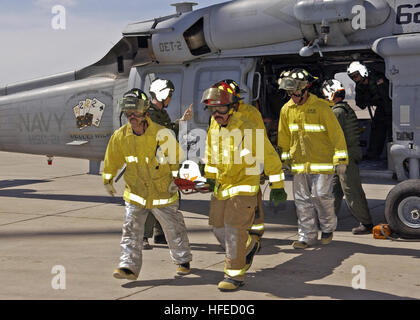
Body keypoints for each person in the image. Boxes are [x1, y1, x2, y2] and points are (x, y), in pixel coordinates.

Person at [202, 83, 287, 291]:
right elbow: (211, 153)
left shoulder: (247, 127)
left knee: (233, 231)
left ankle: (234, 275)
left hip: (244, 185)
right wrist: (210, 177)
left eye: (220, 109)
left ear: (231, 107)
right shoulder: (214, 125)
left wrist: (277, 185)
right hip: (222, 185)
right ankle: (249, 245)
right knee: (217, 228)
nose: (216, 114)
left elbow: (268, 156)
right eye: (212, 110)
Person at [103, 90, 192, 280]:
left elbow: (177, 160)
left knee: (173, 229)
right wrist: (108, 179)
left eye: (135, 113)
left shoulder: (162, 134)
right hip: (136, 194)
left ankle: (183, 260)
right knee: (131, 230)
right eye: (128, 114)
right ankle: (128, 266)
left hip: (162, 193)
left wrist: (176, 180)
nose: (131, 117)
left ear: (145, 114)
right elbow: (112, 160)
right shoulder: (120, 137)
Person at [277, 68, 348, 249]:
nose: (292, 96)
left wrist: (340, 159)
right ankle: (306, 237)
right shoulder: (286, 110)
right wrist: (285, 160)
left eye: (295, 93)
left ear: (305, 89)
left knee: (321, 196)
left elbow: (336, 135)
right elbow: (284, 137)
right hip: (299, 164)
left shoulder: (321, 108)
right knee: (302, 202)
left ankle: (327, 228)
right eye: (290, 93)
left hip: (322, 162)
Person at [131, 79, 193, 249]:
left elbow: (169, 132)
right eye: (170, 96)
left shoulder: (161, 114)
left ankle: (160, 234)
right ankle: (142, 237)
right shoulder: (148, 113)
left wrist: (182, 121)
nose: (170, 99)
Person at [210, 79, 267, 244]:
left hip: (248, 165)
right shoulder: (217, 115)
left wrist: (260, 165)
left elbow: (259, 138)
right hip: (227, 168)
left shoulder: (250, 113)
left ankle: (255, 230)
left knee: (253, 198)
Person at [322, 79, 374, 234]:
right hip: (343, 155)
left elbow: (330, 136)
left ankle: (366, 223)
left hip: (345, 157)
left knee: (351, 190)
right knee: (334, 190)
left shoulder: (337, 112)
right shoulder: (344, 109)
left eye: (326, 96)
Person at [347, 61, 392, 160]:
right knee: (377, 131)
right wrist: (366, 96)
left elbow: (387, 97)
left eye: (355, 76)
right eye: (352, 77)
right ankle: (373, 155)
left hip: (391, 108)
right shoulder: (360, 86)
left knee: (392, 134)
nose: (354, 79)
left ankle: (393, 157)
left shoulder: (378, 79)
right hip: (381, 109)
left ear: (362, 72)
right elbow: (360, 104)